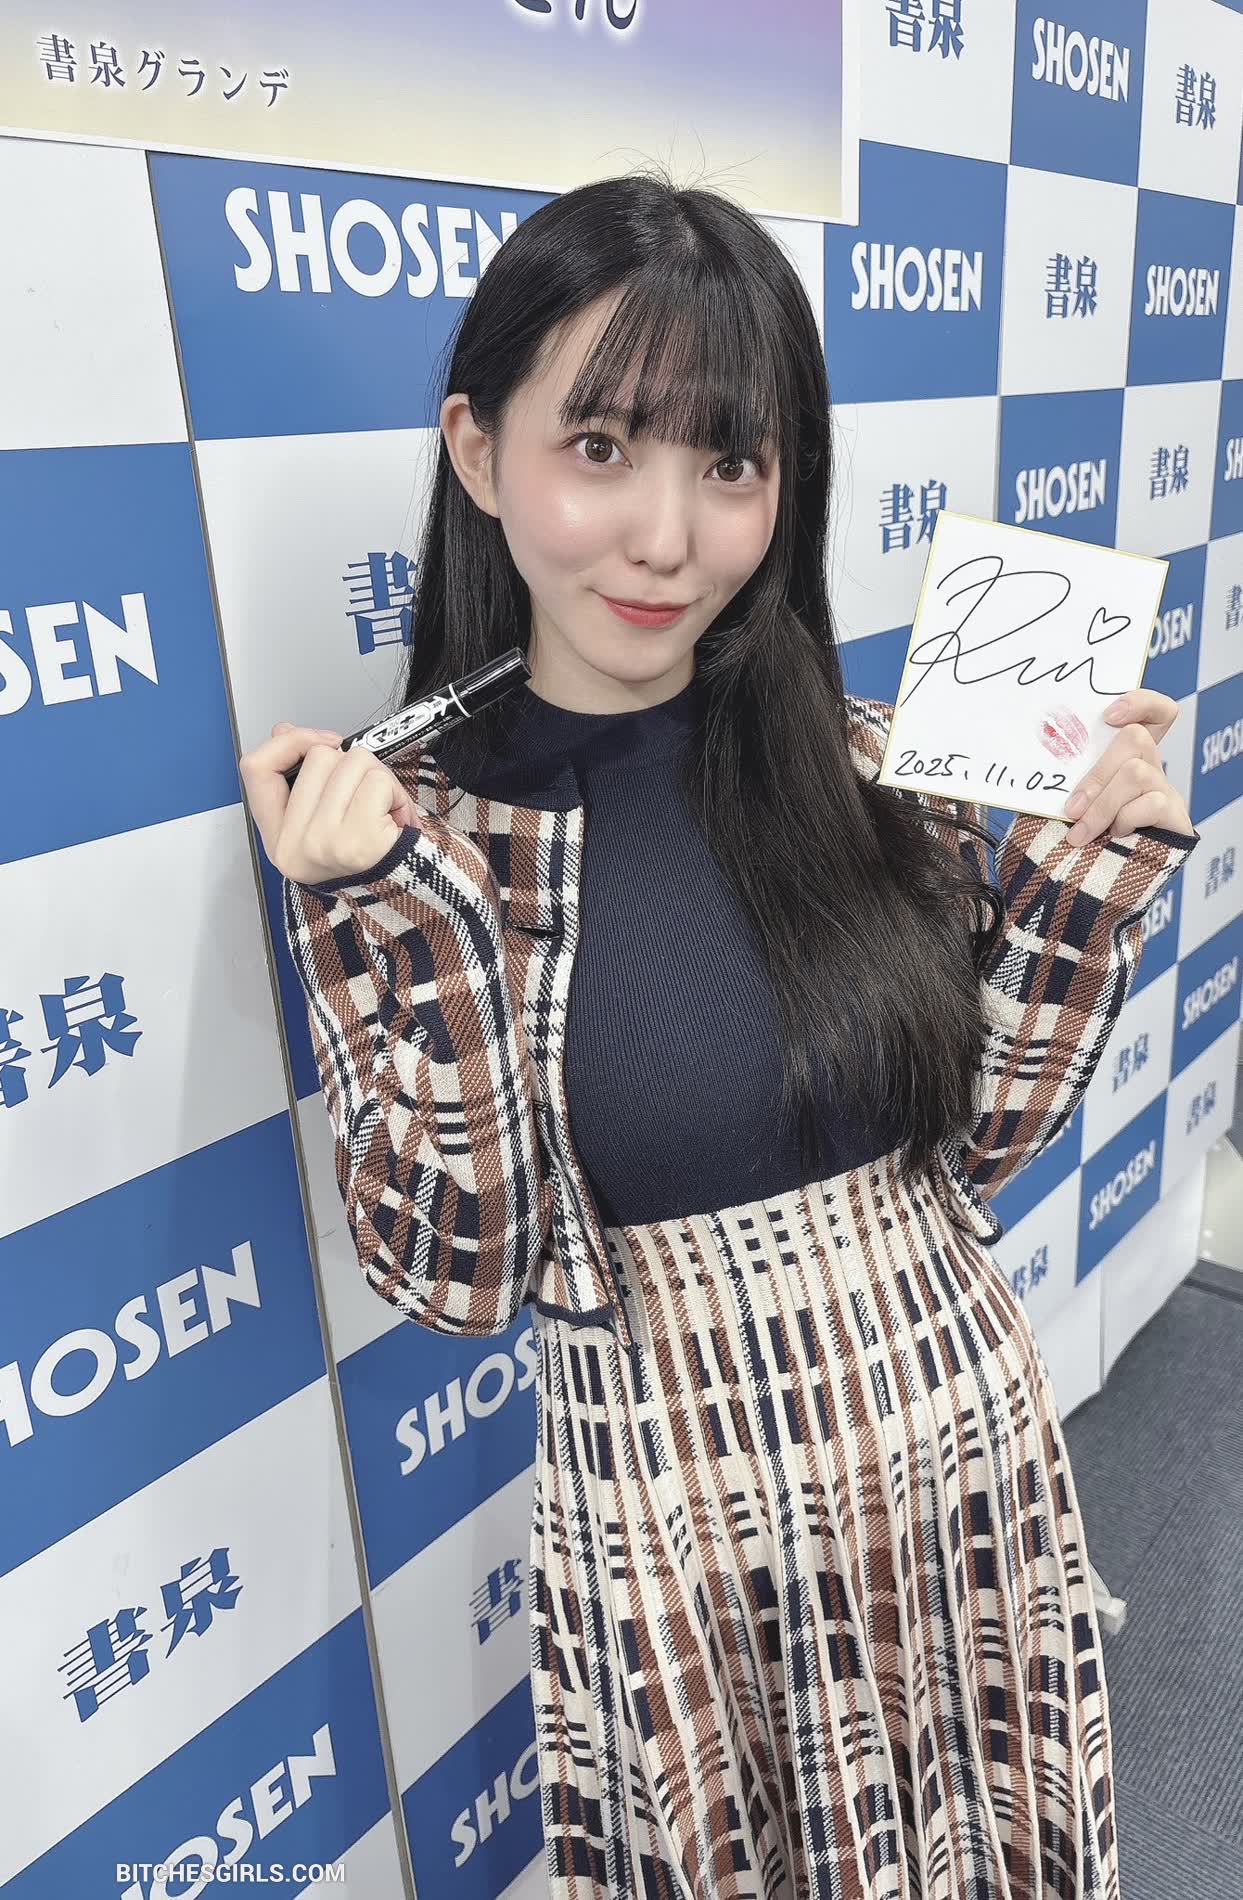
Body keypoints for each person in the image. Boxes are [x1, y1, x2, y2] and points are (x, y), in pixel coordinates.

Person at [240, 167, 1199, 1900]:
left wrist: (1081, 887)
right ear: (479, 453)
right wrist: (424, 920)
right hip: (678, 1529)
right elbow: (462, 1280)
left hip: (961, 1452)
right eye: (601, 447)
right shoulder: (397, 836)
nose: (668, 537)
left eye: (731, 464)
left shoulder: (867, 754)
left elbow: (973, 1148)